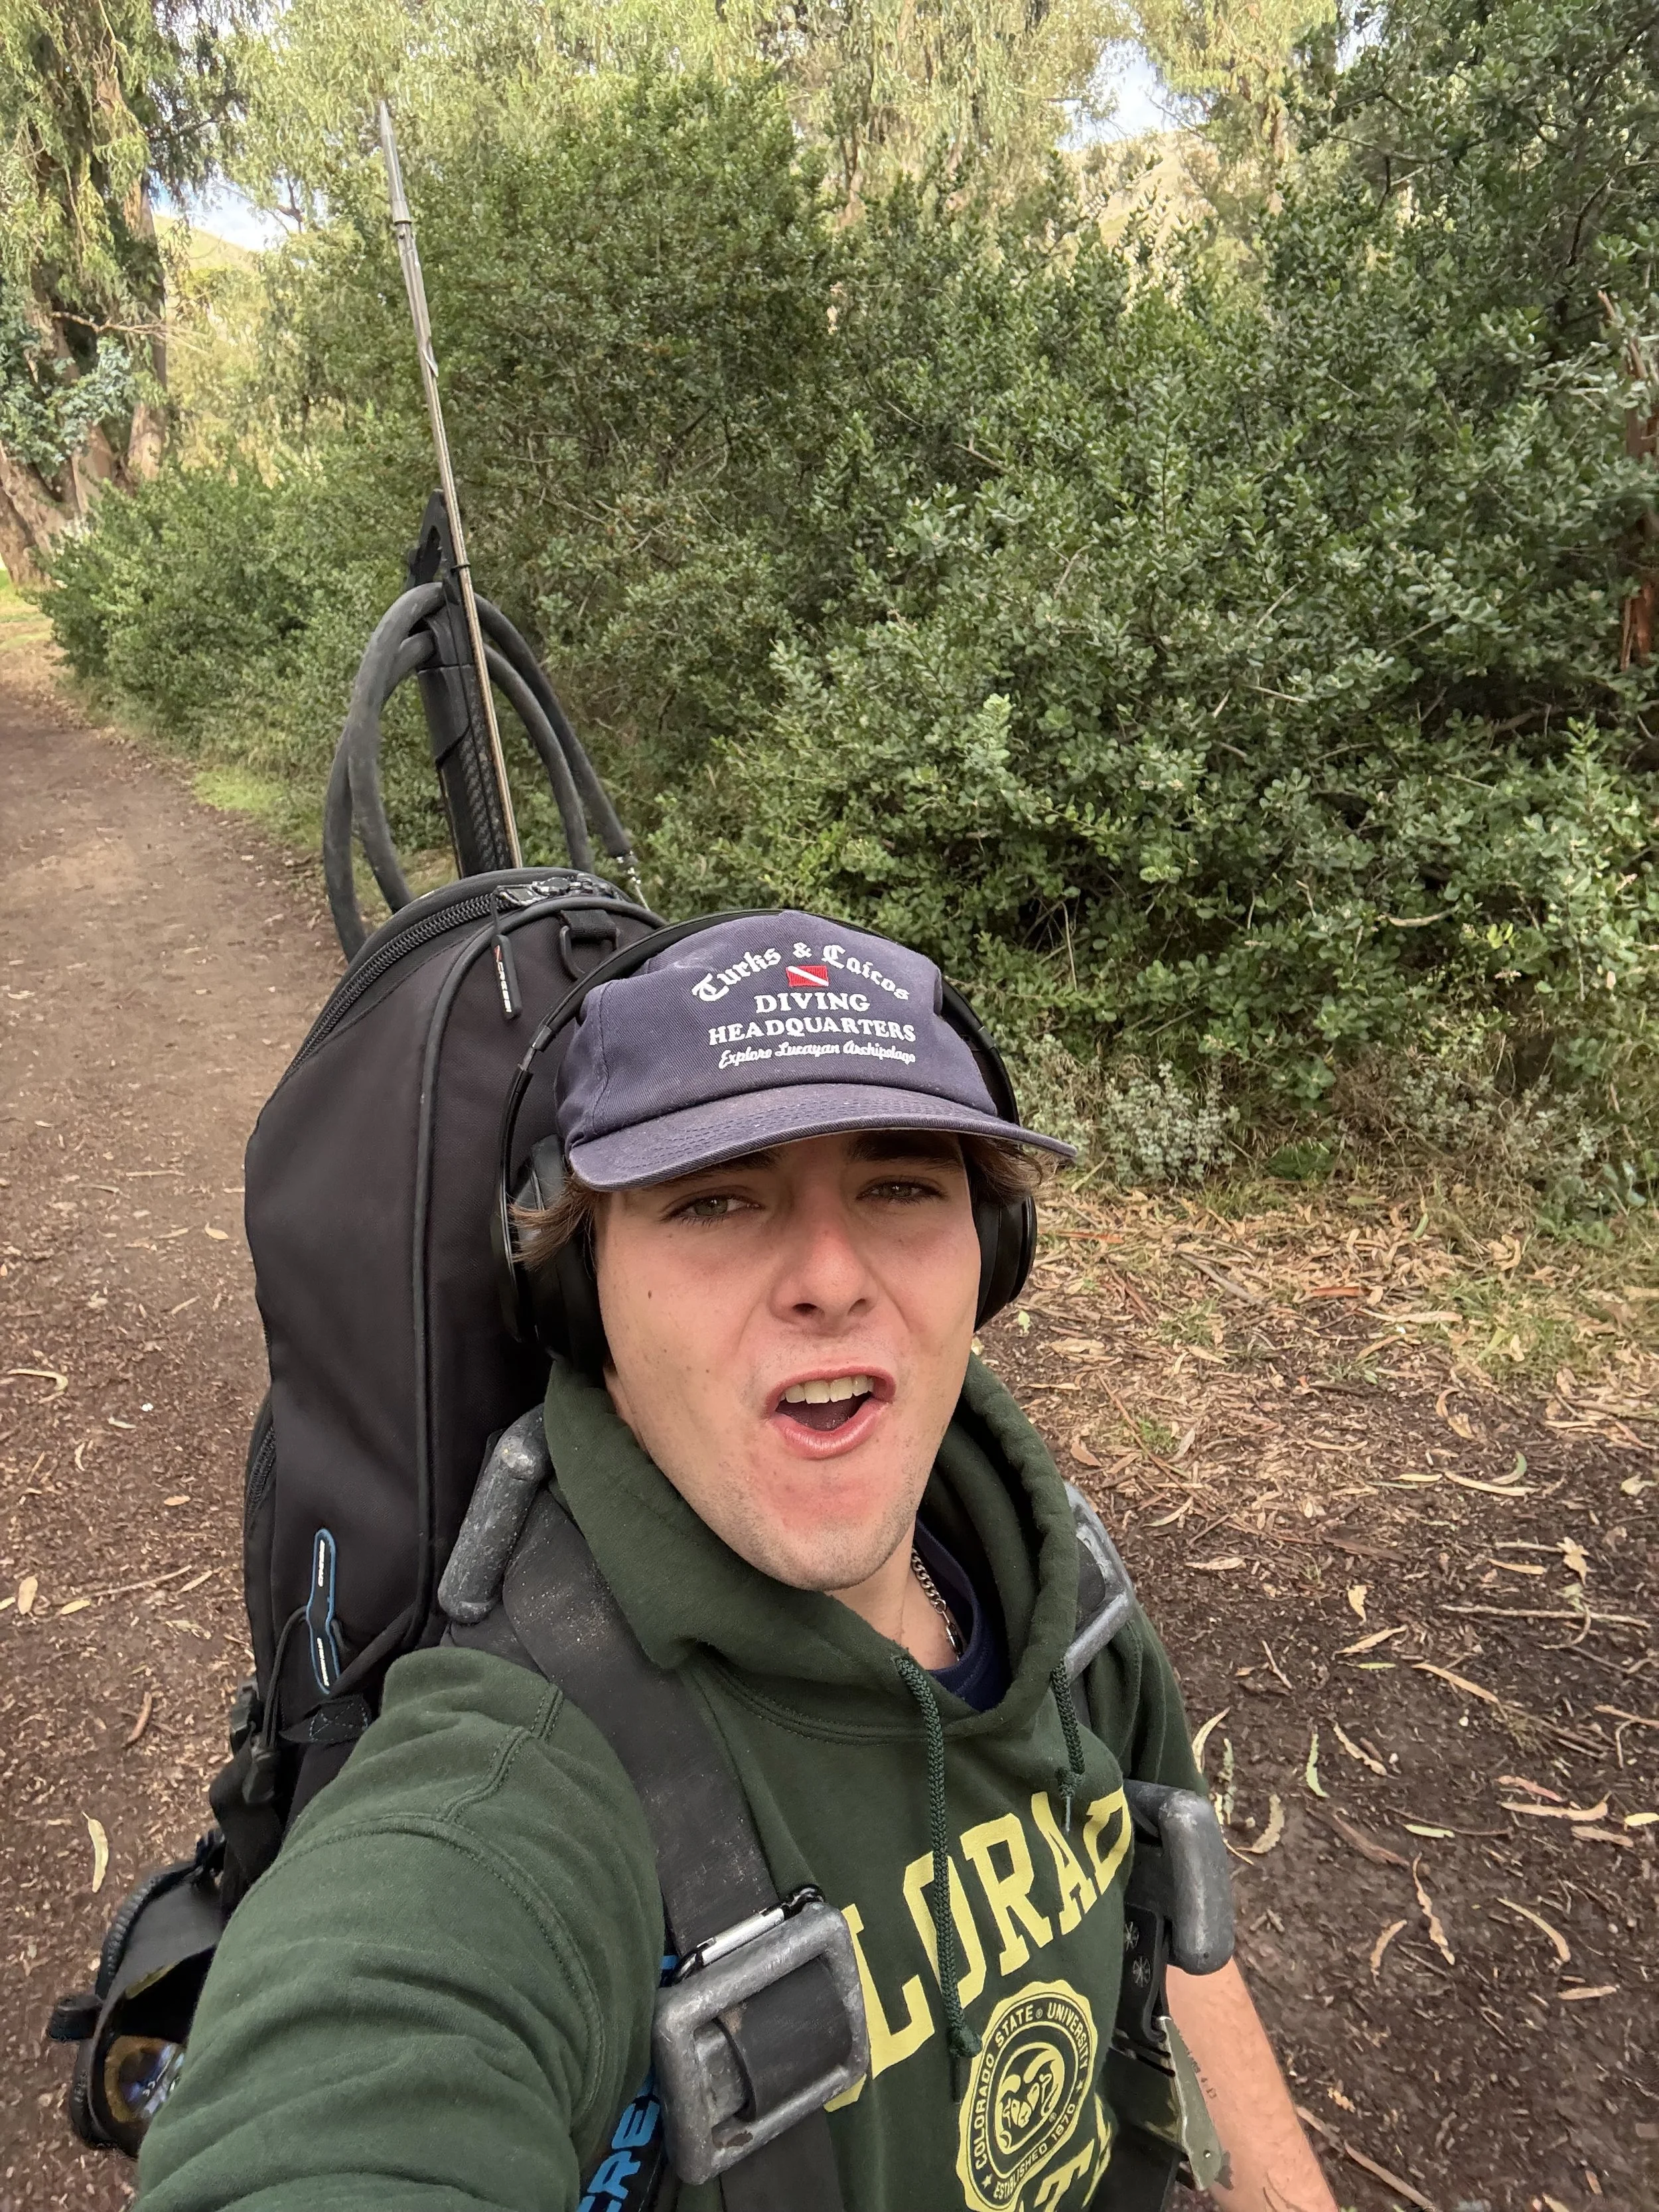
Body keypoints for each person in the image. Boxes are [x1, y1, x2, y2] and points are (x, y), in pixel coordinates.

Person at [136, 912, 1336, 2212]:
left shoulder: (1061, 1588)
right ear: (580, 1295)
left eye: (899, 1186)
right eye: (714, 1197)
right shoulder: (505, 1796)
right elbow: (345, 2100)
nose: (829, 1275)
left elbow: (1175, 1936)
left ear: (986, 1260)